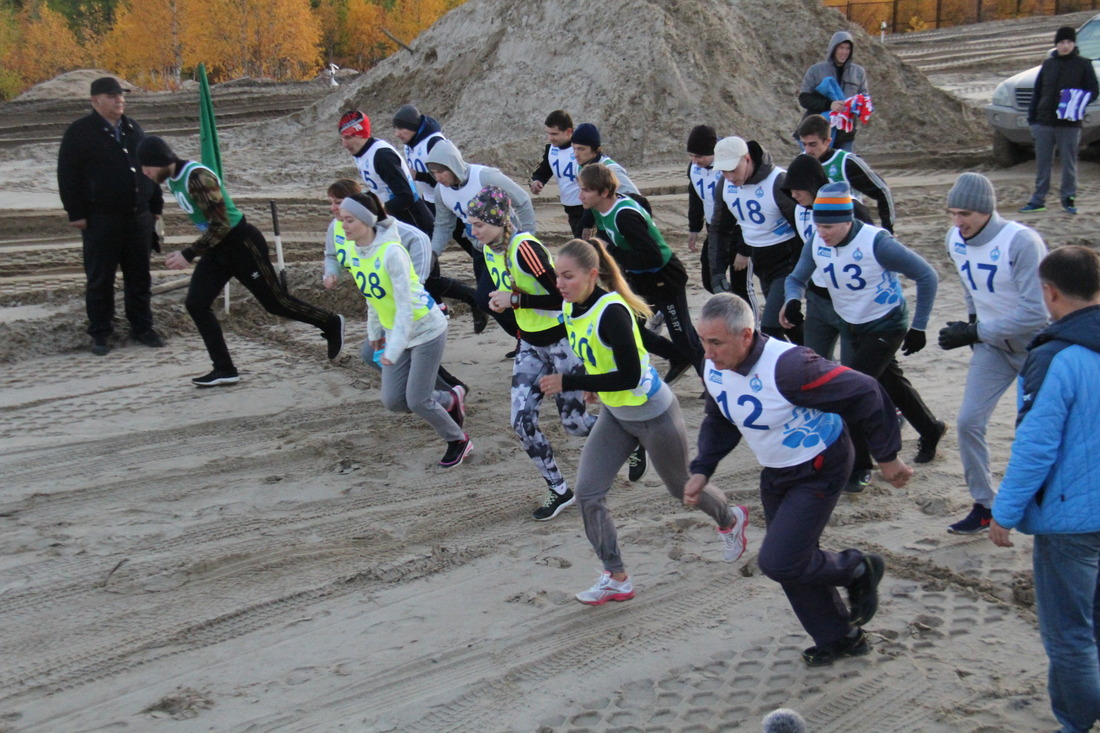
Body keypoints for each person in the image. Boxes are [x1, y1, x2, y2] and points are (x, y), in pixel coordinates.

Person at [688, 292, 912, 665]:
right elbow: (720, 417)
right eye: (703, 342)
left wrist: (887, 457)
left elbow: (866, 391)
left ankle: (858, 568)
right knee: (792, 559)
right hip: (777, 469)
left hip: (821, 464)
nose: (708, 354)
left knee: (779, 560)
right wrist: (702, 468)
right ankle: (841, 637)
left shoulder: (791, 368)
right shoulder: (715, 366)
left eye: (716, 343)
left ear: (746, 336)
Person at [540, 239, 748, 605]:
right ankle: (616, 576)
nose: (560, 283)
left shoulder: (612, 311)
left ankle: (730, 519)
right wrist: (594, 386)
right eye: (558, 276)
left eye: (568, 276)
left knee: (681, 486)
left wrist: (572, 382)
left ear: (591, 275)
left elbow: (630, 376)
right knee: (588, 494)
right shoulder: (571, 307)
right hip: (617, 416)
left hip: (653, 414)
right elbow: (598, 355)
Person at [989, 245, 1100, 733]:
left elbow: (1035, 447)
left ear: (1050, 293)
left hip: (1073, 521)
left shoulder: (1055, 356)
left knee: (1071, 636)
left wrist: (1004, 512)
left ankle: (1076, 725)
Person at [137, 136, 344, 386]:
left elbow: (222, 224)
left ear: (160, 161)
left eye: (146, 166)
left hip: (241, 243)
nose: (144, 172)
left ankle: (330, 322)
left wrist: (188, 254)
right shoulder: (171, 179)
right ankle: (224, 369)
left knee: (275, 303)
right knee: (196, 303)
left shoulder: (196, 177)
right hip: (216, 248)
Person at [782, 182, 944, 492]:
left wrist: (920, 327)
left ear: (848, 220)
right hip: (852, 324)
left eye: (829, 226)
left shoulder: (877, 243)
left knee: (851, 391)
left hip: (886, 325)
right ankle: (930, 428)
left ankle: (860, 465)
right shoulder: (817, 241)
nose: (822, 232)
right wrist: (792, 300)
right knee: (890, 382)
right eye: (818, 225)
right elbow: (796, 278)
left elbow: (927, 276)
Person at [467, 186, 597, 519]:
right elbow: (498, 293)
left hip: (561, 343)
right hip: (531, 345)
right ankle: (559, 490)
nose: (473, 230)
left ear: (498, 220)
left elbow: (561, 296)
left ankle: (629, 434)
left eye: (479, 224)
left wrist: (514, 301)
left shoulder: (523, 249)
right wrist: (499, 302)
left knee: (576, 425)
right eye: (471, 223)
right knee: (521, 422)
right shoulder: (489, 251)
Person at [939, 173, 1048, 534]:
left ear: (987, 210)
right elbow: (971, 286)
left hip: (1037, 350)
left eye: (965, 213)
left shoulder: (1021, 242)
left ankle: (1049, 501)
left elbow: (1037, 312)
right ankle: (985, 504)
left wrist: (975, 330)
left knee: (1035, 431)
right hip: (993, 348)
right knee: (969, 422)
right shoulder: (955, 239)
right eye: (953, 213)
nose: (958, 222)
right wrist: (971, 322)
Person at [337, 192, 472, 468]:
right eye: (342, 220)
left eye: (349, 220)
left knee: (418, 400)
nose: (343, 226)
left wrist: (394, 346)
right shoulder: (355, 252)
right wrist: (375, 333)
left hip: (425, 330)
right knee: (394, 401)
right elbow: (372, 297)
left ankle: (458, 440)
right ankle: (450, 398)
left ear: (366, 221)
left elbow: (405, 307)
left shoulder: (392, 252)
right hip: (396, 332)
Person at [322, 178, 467, 392]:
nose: (334, 208)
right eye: (332, 202)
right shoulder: (338, 227)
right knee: (382, 356)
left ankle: (443, 393)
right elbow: (332, 255)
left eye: (339, 202)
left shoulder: (383, 229)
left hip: (402, 304)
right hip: (379, 302)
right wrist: (331, 272)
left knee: (396, 353)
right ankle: (435, 392)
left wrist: (413, 283)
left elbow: (419, 240)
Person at [57, 76, 164, 356]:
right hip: (101, 218)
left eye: (121, 95)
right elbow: (67, 175)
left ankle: (142, 327)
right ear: (95, 101)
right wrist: (76, 212)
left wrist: (155, 205)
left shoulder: (132, 128)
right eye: (112, 96)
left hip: (137, 217)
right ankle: (101, 332)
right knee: (100, 278)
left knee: (139, 276)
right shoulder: (80, 132)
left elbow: (149, 169)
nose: (119, 100)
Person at [578, 163, 702, 382]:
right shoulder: (599, 208)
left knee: (683, 336)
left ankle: (712, 384)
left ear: (605, 192)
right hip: (640, 279)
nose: (580, 196)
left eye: (586, 190)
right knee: (628, 327)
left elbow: (652, 256)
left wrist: (611, 251)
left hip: (664, 278)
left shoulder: (624, 216)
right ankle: (676, 357)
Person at [390, 106, 487, 333]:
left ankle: (484, 295)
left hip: (452, 201)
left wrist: (418, 176)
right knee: (433, 253)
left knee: (476, 247)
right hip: (432, 203)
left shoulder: (434, 142)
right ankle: (445, 304)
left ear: (413, 127)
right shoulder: (411, 145)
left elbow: (451, 174)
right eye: (395, 129)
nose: (397, 134)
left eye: (401, 128)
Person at [426, 139, 535, 339]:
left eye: (441, 171)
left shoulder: (485, 177)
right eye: (433, 173)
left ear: (453, 165)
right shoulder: (441, 191)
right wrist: (432, 253)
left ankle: (528, 338)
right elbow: (444, 225)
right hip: (481, 250)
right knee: (487, 300)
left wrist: (528, 240)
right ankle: (522, 338)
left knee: (515, 295)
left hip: (508, 247)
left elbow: (523, 201)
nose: (438, 177)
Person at [781, 152, 875, 365]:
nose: (793, 194)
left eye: (798, 188)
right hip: (818, 299)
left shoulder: (850, 207)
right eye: (790, 189)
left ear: (812, 183)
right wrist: (793, 296)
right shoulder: (799, 211)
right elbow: (801, 254)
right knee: (813, 365)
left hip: (852, 300)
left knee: (857, 371)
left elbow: (873, 253)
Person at [710, 136, 802, 343]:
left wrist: (801, 271)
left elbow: (802, 227)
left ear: (748, 159)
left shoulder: (778, 181)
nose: (730, 176)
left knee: (770, 327)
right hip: (762, 263)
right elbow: (719, 229)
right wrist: (716, 270)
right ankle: (815, 360)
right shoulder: (724, 185)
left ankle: (791, 367)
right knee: (788, 321)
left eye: (733, 169)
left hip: (786, 260)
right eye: (724, 171)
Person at [1020, 26, 1099, 215]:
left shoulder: (1083, 65)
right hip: (1044, 122)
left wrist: (1077, 99)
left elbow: (1094, 91)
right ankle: (1038, 200)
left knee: (1069, 163)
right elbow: (1038, 93)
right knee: (1043, 164)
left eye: (1069, 42)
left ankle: (1068, 199)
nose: (1065, 46)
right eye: (1062, 42)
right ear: (1056, 44)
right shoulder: (1048, 65)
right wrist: (1033, 120)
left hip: (1069, 124)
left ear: (1074, 44)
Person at [686, 124, 757, 315]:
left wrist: (744, 249)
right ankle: (737, 308)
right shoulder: (694, 167)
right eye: (691, 156)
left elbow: (747, 207)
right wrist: (694, 227)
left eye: (699, 156)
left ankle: (752, 326)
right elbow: (695, 195)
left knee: (742, 284)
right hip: (715, 229)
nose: (694, 160)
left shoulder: (731, 169)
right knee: (711, 280)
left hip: (739, 231)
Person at [338, 110, 434, 233]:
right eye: (342, 138)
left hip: (414, 223)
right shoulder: (362, 153)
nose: (344, 144)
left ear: (361, 135)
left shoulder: (382, 156)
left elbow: (406, 196)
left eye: (348, 137)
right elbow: (379, 189)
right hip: (397, 222)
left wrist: (376, 211)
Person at [796, 114, 895, 232]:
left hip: (851, 231)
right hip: (818, 232)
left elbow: (882, 191)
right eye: (804, 144)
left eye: (813, 144)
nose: (807, 150)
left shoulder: (847, 162)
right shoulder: (801, 163)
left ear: (827, 141)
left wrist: (888, 229)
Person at [798, 31, 869, 152]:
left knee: (843, 167)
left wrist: (857, 105)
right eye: (841, 48)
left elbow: (865, 97)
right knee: (817, 168)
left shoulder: (858, 72)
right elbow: (804, 98)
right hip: (817, 133)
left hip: (845, 133)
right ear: (833, 48)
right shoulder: (816, 71)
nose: (844, 52)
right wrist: (829, 105)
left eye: (847, 48)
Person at [529, 109, 584, 237]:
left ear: (568, 132)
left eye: (554, 134)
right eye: (548, 133)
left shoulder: (581, 149)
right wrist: (537, 180)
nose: (550, 138)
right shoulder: (551, 149)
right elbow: (544, 170)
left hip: (587, 207)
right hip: (570, 208)